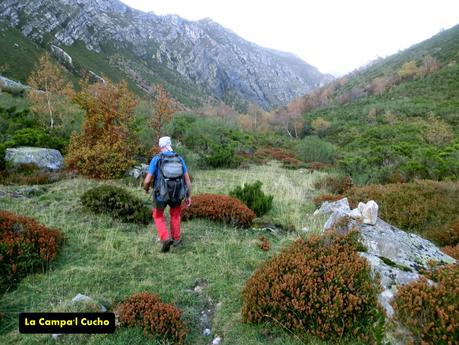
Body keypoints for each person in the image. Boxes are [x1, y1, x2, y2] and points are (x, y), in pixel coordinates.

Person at [143, 136, 192, 253]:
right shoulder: (179, 159)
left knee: (158, 216)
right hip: (177, 193)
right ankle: (176, 239)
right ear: (170, 145)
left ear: (161, 146)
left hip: (161, 194)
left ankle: (165, 238)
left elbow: (147, 180)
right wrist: (188, 196)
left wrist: (146, 189)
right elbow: (188, 181)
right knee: (175, 215)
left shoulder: (156, 159)